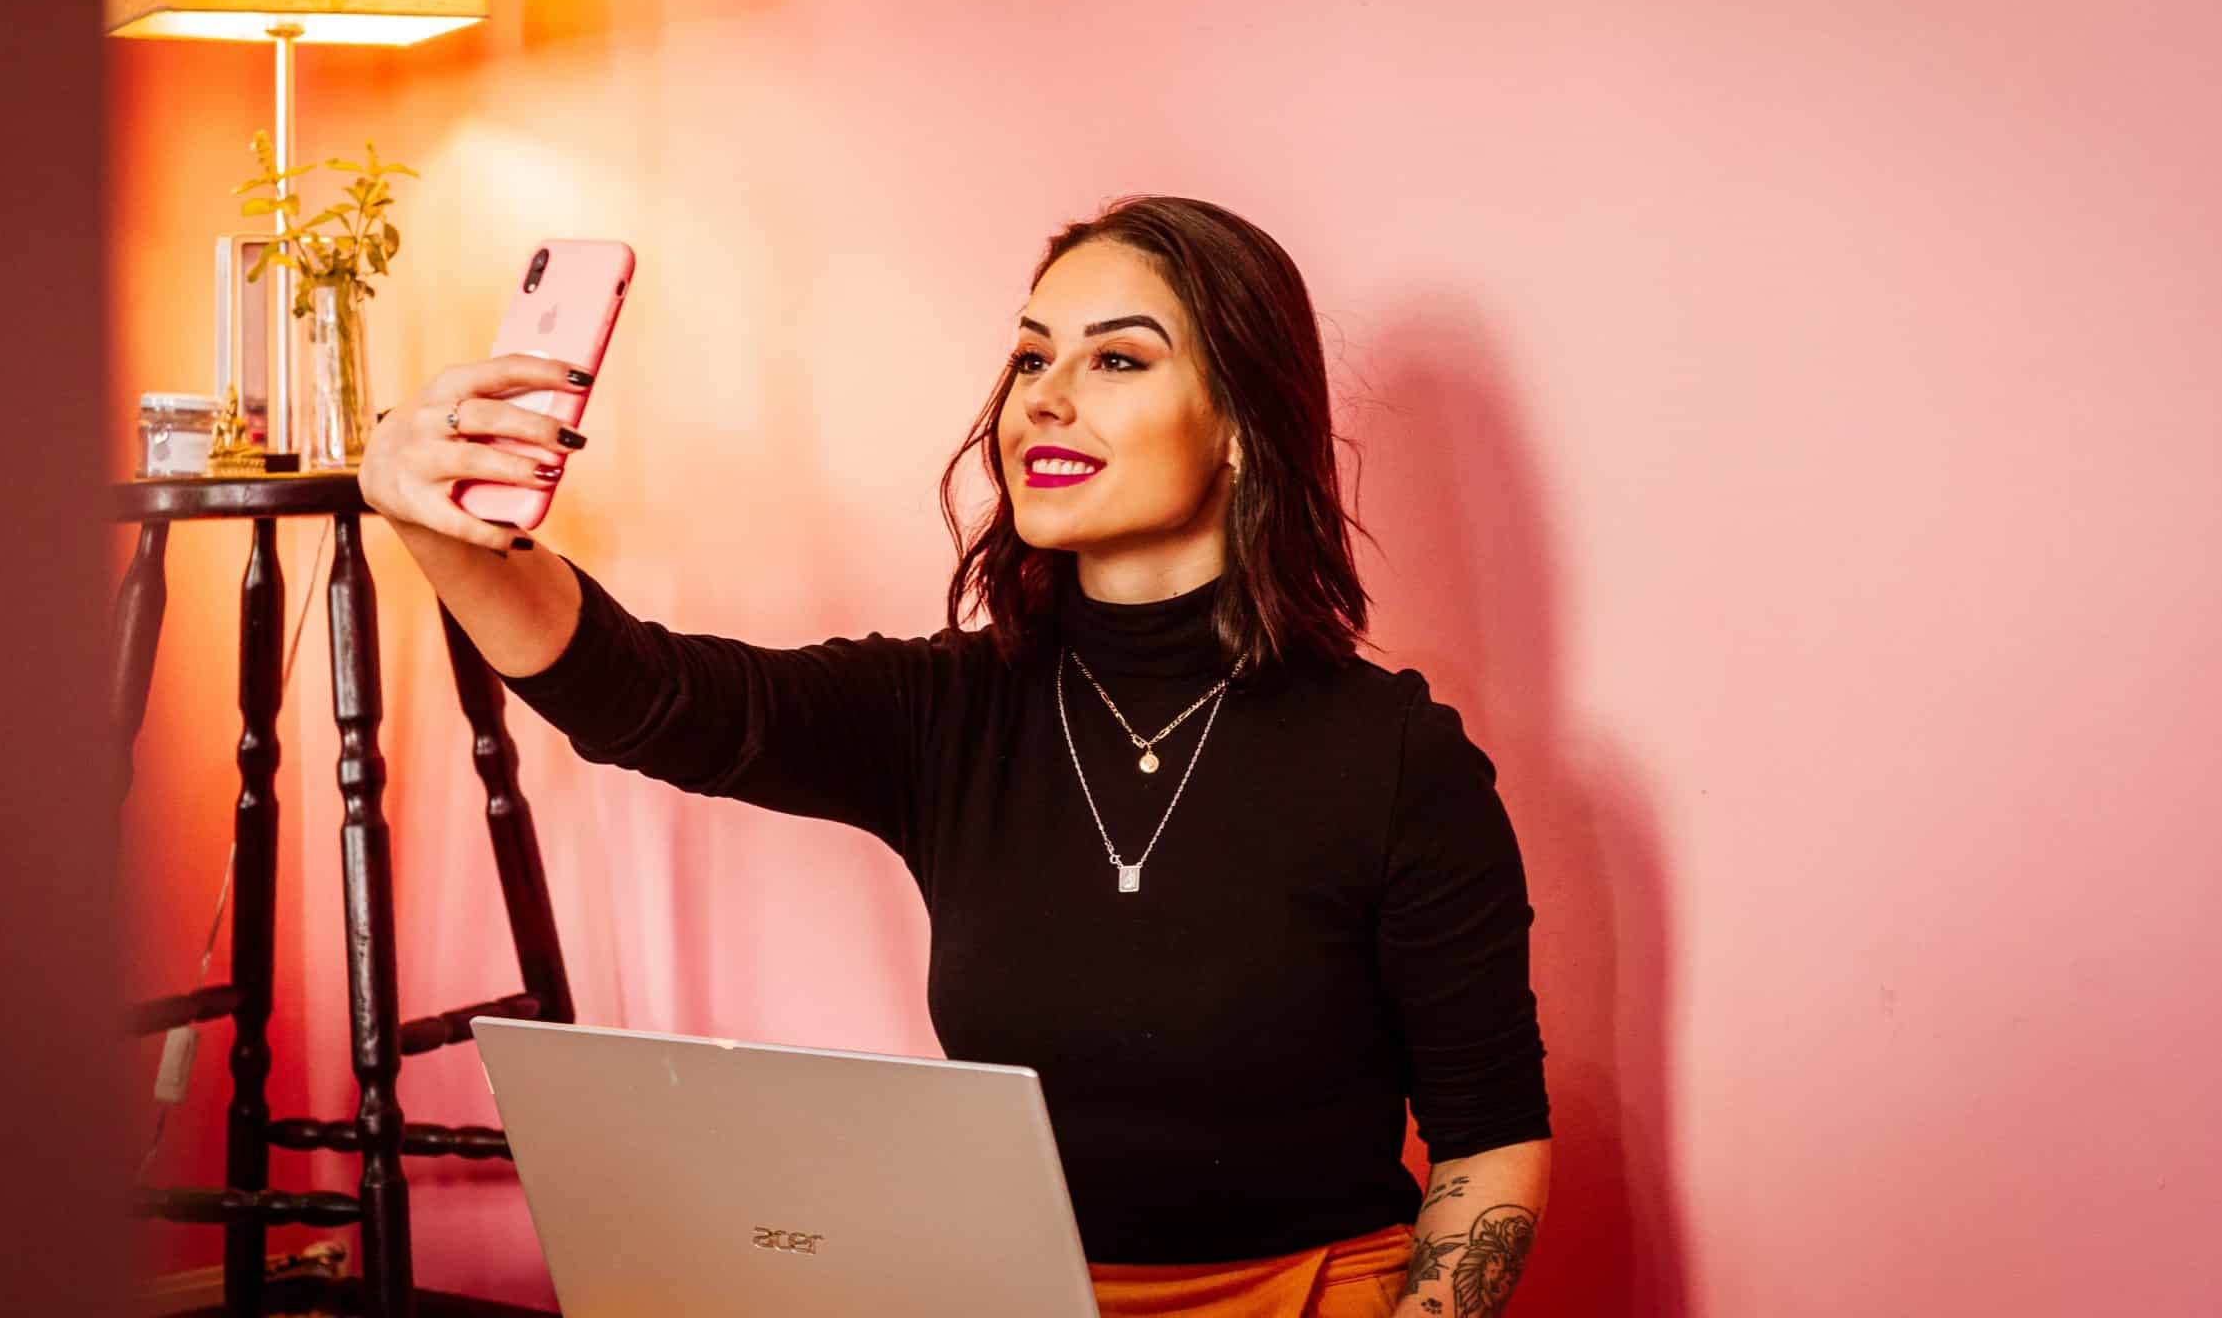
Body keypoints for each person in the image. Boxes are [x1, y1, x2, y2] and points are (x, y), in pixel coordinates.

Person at [357, 196, 1552, 1318]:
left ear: (1242, 425)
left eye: (1118, 359)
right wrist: (434, 520)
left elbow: (1488, 1135)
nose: (1043, 398)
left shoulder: (1395, 757)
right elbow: (647, 698)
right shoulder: (947, 709)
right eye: (1033, 357)